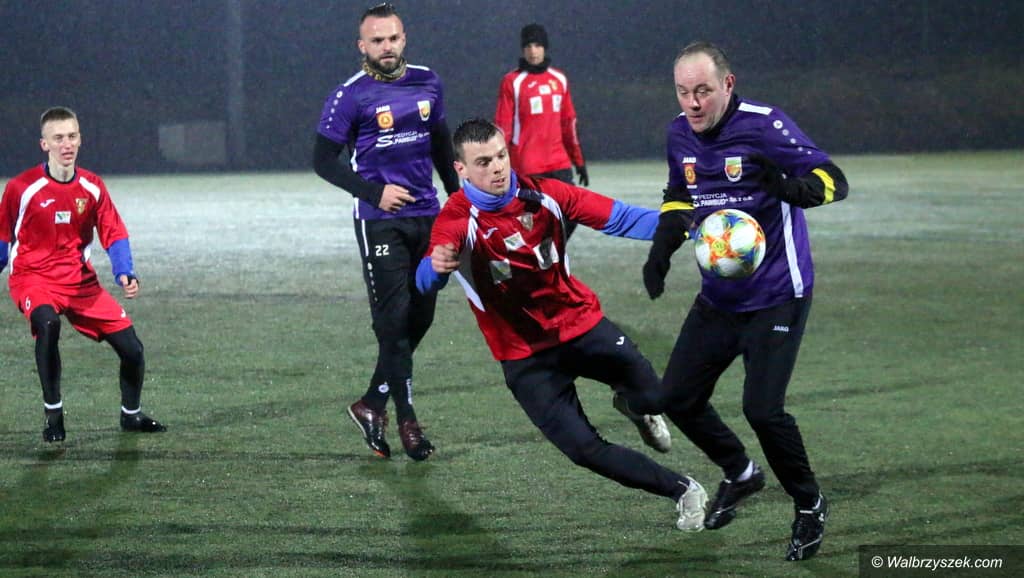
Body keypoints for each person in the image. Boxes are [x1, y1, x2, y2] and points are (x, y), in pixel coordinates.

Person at [415, 118, 703, 530]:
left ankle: (634, 406)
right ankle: (684, 490)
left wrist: (690, 226)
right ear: (460, 169)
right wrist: (436, 266)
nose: (497, 168)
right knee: (583, 450)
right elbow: (425, 279)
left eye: (501, 156)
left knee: (655, 397)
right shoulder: (457, 220)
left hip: (581, 325)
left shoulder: (546, 194)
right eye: (483, 162)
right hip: (525, 358)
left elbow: (620, 217)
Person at [642, 41, 849, 561]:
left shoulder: (765, 125)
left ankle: (809, 503)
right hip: (719, 297)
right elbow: (679, 194)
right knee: (677, 398)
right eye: (683, 92)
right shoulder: (678, 133)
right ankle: (741, 472)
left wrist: (791, 188)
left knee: (762, 409)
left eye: (703, 91)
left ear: (728, 85)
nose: (693, 103)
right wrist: (662, 248)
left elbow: (833, 180)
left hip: (778, 294)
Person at [312, 2, 460, 461]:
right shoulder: (349, 96)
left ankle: (370, 404)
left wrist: (457, 200)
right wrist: (374, 193)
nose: (387, 46)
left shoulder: (428, 81)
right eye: (377, 40)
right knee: (393, 323)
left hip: (428, 215)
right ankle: (407, 421)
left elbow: (440, 144)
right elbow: (322, 161)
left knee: (422, 318)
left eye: (393, 38)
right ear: (363, 46)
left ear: (404, 38)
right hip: (379, 223)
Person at [0, 106, 165, 443]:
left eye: (72, 136)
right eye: (58, 138)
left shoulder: (92, 187)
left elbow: (114, 231)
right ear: (44, 144)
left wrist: (124, 270)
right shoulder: (21, 188)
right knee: (48, 325)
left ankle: (131, 415)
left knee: (133, 349)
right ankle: (54, 415)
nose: (66, 144)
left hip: (79, 282)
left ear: (80, 139)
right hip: (33, 278)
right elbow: (2, 238)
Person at [495, 24, 588, 237]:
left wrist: (579, 161)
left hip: (559, 162)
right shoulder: (512, 82)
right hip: (527, 165)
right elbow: (502, 127)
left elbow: (569, 124)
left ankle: (548, 250)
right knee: (531, 221)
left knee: (572, 213)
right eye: (528, 46)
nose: (533, 51)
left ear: (545, 47)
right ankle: (538, 252)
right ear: (522, 50)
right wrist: (499, 163)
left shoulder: (559, 79)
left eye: (537, 45)